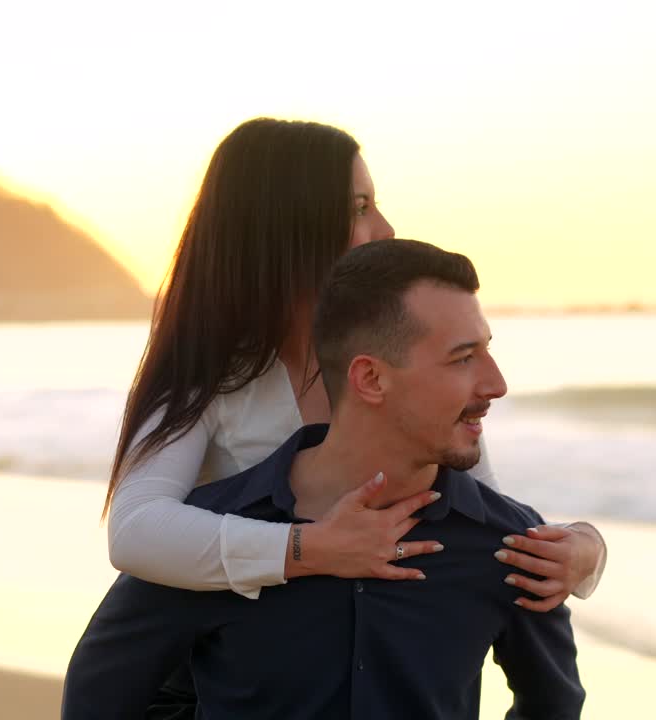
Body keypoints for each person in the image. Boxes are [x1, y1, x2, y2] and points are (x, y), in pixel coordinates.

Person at [63, 239, 585, 719]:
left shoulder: (510, 544)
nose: (496, 383)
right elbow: (99, 698)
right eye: (463, 358)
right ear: (371, 378)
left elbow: (553, 705)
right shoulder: (214, 532)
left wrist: (588, 546)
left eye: (486, 351)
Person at [104, 118, 607, 610]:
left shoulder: (400, 365)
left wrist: (585, 549)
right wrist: (313, 549)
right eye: (359, 208)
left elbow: (485, 515)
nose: (385, 229)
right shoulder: (211, 374)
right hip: (229, 679)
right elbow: (135, 530)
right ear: (287, 225)